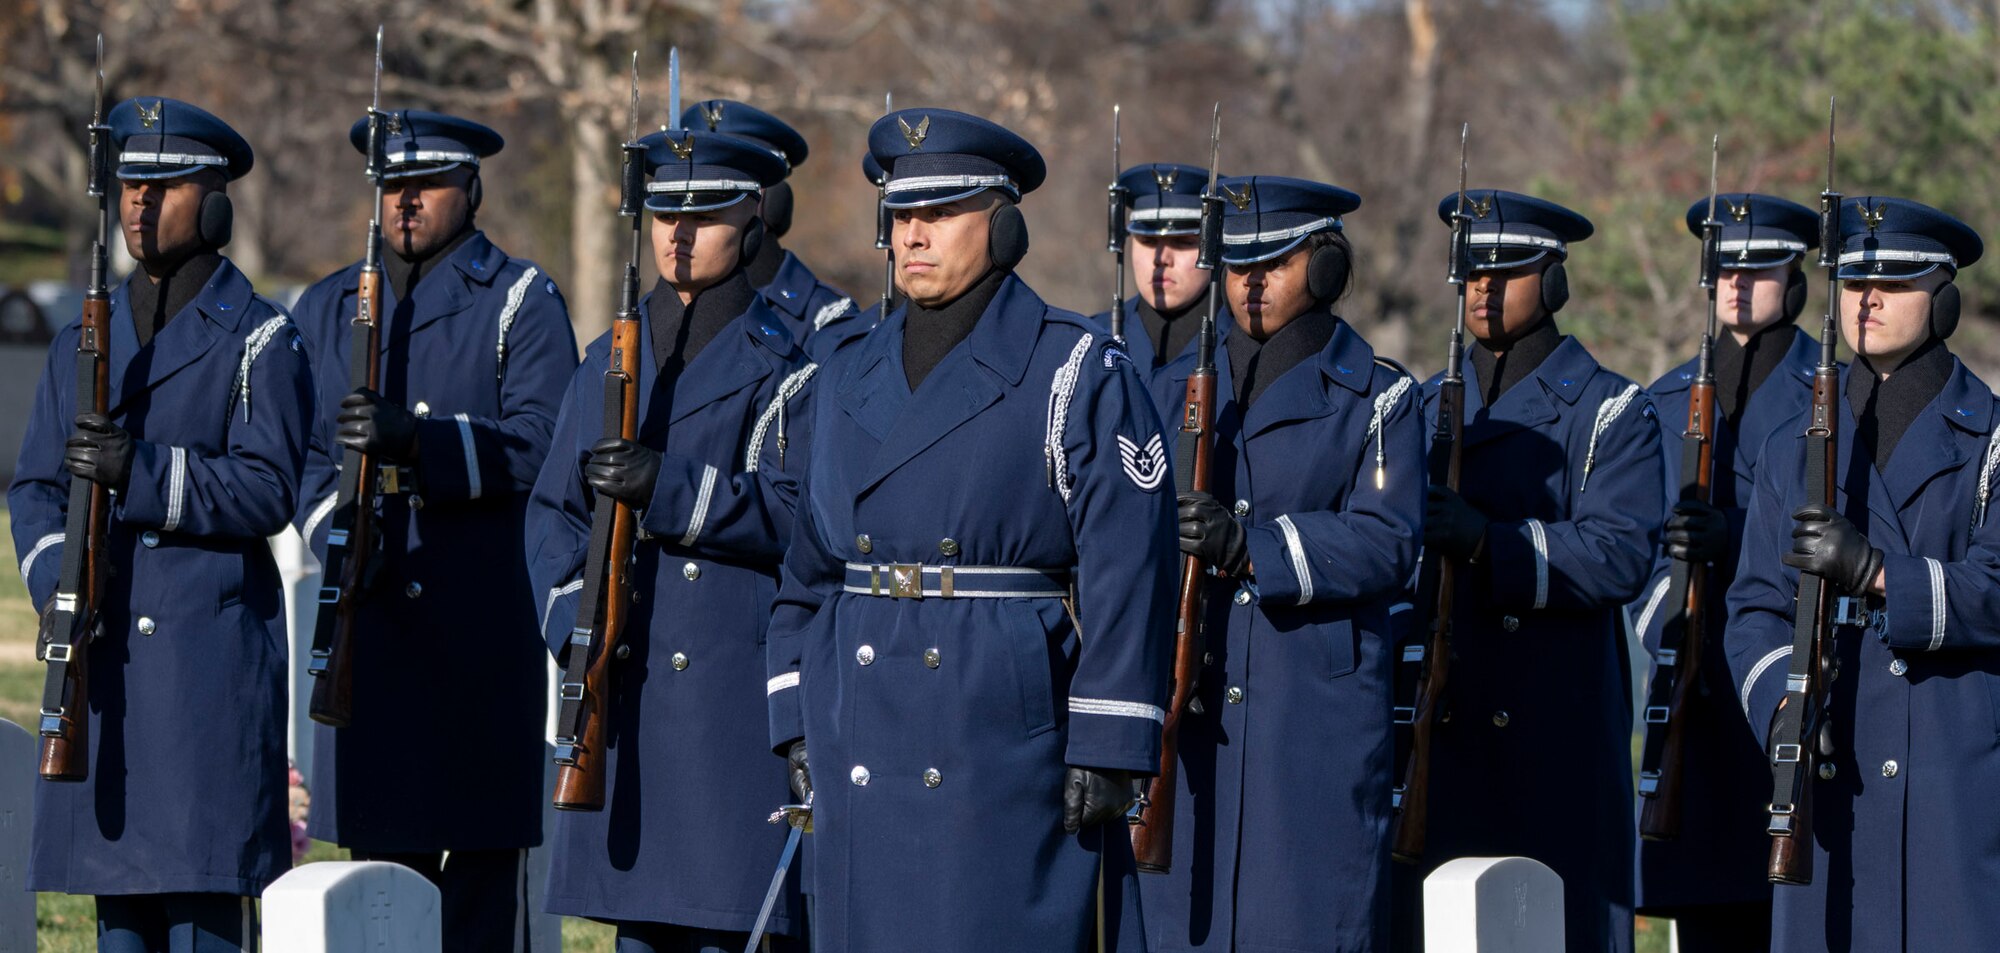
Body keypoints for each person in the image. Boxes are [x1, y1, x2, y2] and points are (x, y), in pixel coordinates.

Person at [762, 107, 1177, 951]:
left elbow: (1130, 569)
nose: (914, 234)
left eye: (942, 213)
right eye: (901, 215)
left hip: (1000, 740)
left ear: (1005, 223)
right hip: (863, 723)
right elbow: (808, 570)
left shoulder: (1075, 369)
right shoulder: (841, 373)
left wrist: (1109, 739)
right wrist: (795, 712)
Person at [10, 96, 313, 953]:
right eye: (129, 185)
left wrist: (135, 473)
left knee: (201, 922)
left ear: (213, 200)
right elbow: (34, 485)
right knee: (121, 927)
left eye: (164, 185)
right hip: (104, 669)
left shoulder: (260, 338)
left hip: (203, 677)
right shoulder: (84, 337)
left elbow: (266, 489)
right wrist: (54, 580)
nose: (139, 203)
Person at [287, 109, 577, 952]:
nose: (405, 202)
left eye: (426, 185)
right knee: (380, 890)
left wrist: (419, 443)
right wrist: (339, 534)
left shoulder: (520, 299)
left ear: (471, 189)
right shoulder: (331, 302)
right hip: (370, 629)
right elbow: (304, 457)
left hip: (476, 631)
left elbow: (539, 445)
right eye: (390, 187)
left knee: (483, 896)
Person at [527, 129, 813, 952]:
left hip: (725, 710)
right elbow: (552, 513)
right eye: (663, 213)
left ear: (753, 218)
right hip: (627, 696)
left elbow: (799, 518)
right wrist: (577, 625)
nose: (679, 235)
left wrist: (671, 489)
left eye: (707, 213)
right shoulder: (604, 361)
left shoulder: (790, 366)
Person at [1139, 174, 1422, 952]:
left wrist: (1251, 547)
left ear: (1325, 267)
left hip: (1311, 718)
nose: (1249, 283)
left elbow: (1387, 538)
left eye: (1273, 263)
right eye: (1235, 266)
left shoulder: (1381, 396)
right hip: (1192, 710)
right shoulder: (1168, 391)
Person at [1728, 196, 1999, 951]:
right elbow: (1753, 607)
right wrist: (1783, 708)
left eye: (1895, 282)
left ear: (1942, 295)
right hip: (1826, 777)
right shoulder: (1795, 445)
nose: (1867, 300)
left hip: (1950, 775)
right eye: (1852, 283)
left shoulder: (1992, 440)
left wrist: (1882, 575)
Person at [1395, 189, 1662, 953]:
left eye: (1504, 271)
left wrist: (1490, 544)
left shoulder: (1611, 410)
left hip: (1553, 733)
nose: (1482, 289)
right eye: (1471, 274)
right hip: (1446, 729)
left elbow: (1618, 553)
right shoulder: (1424, 408)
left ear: (1552, 279)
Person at [1633, 193, 1820, 952]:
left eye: (1759, 267)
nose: (1737, 284)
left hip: (1787, 695)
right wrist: (1679, 577)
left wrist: (1737, 546)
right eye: (1724, 268)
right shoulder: (1668, 398)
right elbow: (1634, 560)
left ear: (1795, 276)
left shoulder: (1829, 392)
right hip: (1696, 706)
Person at [681, 99, 856, 352]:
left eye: (731, 187)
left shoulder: (825, 318)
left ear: (772, 198)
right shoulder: (658, 310)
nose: (706, 202)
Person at [1092, 162, 1224, 387]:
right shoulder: (1093, 338)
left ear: (1216, 247)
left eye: (1183, 242)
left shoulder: (1242, 344)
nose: (1161, 258)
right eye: (1148, 241)